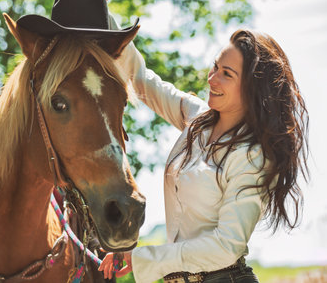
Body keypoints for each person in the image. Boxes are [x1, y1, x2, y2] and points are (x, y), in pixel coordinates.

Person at [98, 28, 309, 283]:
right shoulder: (196, 120)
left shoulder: (252, 157)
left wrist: (143, 258)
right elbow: (142, 79)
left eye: (226, 74)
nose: (212, 79)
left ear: (252, 88)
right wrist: (97, 14)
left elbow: (226, 247)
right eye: (215, 67)